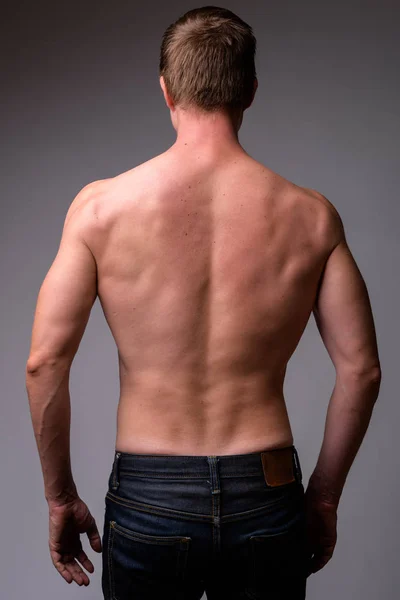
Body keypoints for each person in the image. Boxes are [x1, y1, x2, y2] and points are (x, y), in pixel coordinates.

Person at [25, 5, 382, 599]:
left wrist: (60, 496)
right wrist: (323, 495)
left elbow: (44, 364)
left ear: (166, 89)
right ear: (251, 91)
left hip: (149, 492)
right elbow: (362, 370)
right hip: (266, 490)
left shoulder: (100, 210)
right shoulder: (312, 218)